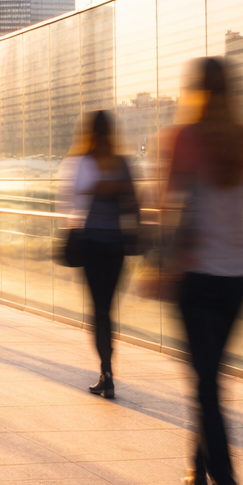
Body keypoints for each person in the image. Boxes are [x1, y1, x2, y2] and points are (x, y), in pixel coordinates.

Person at [162, 57, 243, 485]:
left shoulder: (184, 137)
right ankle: (196, 474)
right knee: (208, 379)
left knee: (207, 386)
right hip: (241, 274)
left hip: (195, 274)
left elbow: (165, 201)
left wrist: (158, 264)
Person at [61, 110, 139, 398]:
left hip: (92, 243)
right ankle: (107, 368)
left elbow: (70, 200)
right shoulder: (122, 163)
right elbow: (134, 201)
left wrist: (93, 189)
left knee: (99, 310)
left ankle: (106, 370)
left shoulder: (82, 162)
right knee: (108, 308)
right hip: (116, 245)